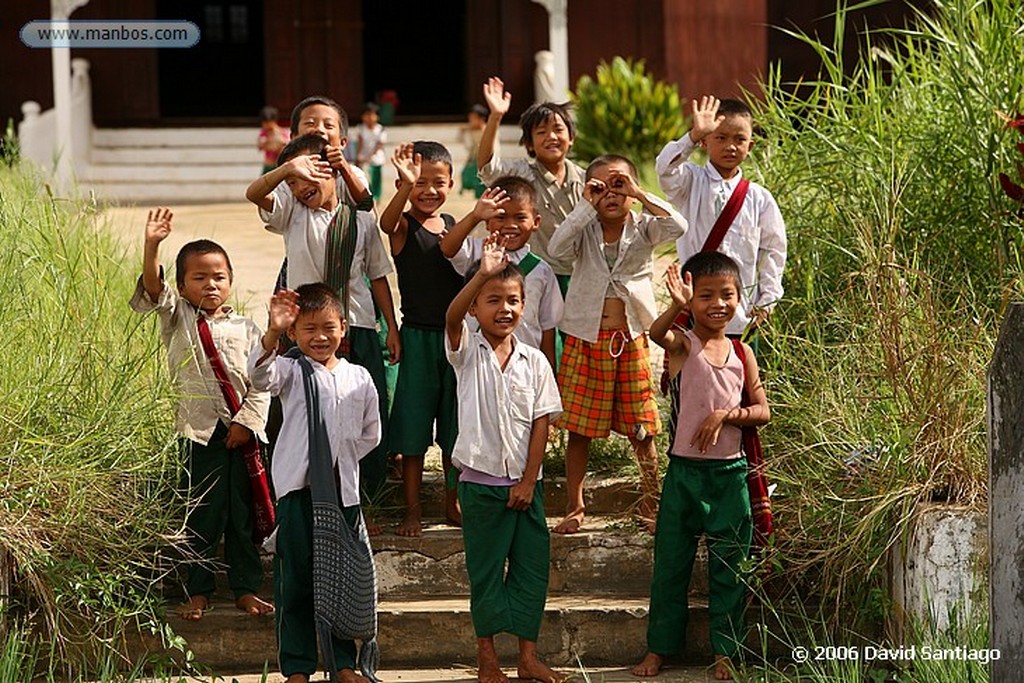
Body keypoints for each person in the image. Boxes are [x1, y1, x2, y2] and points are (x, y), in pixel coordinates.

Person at [245, 133, 399, 533]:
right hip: (303, 331)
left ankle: (363, 503)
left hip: (357, 325)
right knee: (296, 415)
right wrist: (284, 171)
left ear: (331, 170)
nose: (300, 188)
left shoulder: (360, 219)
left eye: (308, 175)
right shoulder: (291, 213)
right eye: (293, 182)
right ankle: (297, 500)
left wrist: (391, 326)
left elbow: (379, 275)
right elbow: (252, 193)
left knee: (365, 411)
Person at [128, 208, 272, 622]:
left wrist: (247, 422)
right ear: (182, 285)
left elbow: (262, 379)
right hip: (197, 433)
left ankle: (246, 588)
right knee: (201, 514)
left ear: (230, 281)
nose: (211, 284)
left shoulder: (246, 326)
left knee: (242, 516)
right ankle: (198, 591)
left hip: (243, 436)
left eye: (219, 277)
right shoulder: (177, 318)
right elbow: (153, 290)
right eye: (199, 277)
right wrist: (152, 244)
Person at [632, 252, 769, 681]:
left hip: (729, 476)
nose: (717, 304)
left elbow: (762, 410)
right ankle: (659, 650)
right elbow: (657, 334)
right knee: (670, 566)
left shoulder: (742, 352)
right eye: (705, 295)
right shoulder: (684, 343)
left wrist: (726, 415)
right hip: (684, 475)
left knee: (730, 569)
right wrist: (675, 305)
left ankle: (726, 652)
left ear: (739, 299)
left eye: (726, 295)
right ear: (692, 302)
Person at [546, 154, 687, 535]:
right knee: (579, 427)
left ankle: (652, 500)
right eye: (601, 187)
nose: (611, 193)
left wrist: (640, 193)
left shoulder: (644, 228)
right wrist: (583, 206)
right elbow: (556, 248)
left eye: (619, 185)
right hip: (586, 337)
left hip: (632, 339)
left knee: (642, 426)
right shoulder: (585, 228)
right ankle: (575, 506)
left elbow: (678, 224)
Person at [444, 239, 563, 683]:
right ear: (476, 308)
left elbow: (541, 425)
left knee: (532, 572)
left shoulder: (534, 362)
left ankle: (528, 657)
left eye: (513, 300)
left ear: (525, 306)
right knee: (487, 574)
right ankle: (487, 658)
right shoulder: (465, 353)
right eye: (493, 301)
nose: (505, 309)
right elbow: (450, 317)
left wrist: (529, 481)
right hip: (481, 485)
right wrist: (480, 274)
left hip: (525, 487)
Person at [249, 283, 381, 683]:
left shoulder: (359, 377)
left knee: (339, 579)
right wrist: (272, 332)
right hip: (297, 495)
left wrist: (336, 467)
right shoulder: (290, 369)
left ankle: (342, 664)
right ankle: (298, 667)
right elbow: (259, 375)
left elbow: (370, 434)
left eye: (328, 327)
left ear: (344, 328)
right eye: (308, 329)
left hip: (342, 496)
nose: (319, 337)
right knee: (298, 583)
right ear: (294, 334)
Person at [378, 141, 464, 537]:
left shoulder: (451, 225)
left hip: (454, 343)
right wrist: (402, 189)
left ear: (452, 183)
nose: (429, 190)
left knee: (454, 429)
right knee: (412, 432)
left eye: (438, 182)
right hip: (416, 340)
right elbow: (385, 223)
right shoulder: (402, 227)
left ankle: (452, 501)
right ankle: (412, 511)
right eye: (419, 183)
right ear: (404, 183)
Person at [655, 96, 787, 340]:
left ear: (751, 147)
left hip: (740, 314)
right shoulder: (689, 182)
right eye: (720, 137)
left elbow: (773, 252)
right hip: (695, 307)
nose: (730, 146)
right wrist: (691, 137)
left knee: (739, 375)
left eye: (739, 139)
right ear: (705, 142)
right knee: (691, 374)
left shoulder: (760, 199)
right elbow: (664, 168)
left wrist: (767, 302)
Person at [477, 77, 586, 296]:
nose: (551, 137)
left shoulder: (585, 179)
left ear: (571, 138)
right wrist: (496, 117)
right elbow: (487, 166)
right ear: (529, 144)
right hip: (534, 273)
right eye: (541, 132)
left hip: (578, 274)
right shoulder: (522, 173)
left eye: (558, 129)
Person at [441, 175, 563, 368]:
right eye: (500, 217)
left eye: (520, 217)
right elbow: (447, 248)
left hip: (525, 367)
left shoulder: (542, 271)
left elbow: (547, 328)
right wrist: (475, 216)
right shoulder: (475, 252)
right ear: (487, 223)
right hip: (478, 362)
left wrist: (550, 374)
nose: (510, 225)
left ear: (536, 221)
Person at [352, 102, 387, 203]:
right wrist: (358, 155)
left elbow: (379, 145)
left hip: (376, 158)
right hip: (363, 157)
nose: (369, 118)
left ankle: (377, 197)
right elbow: (360, 143)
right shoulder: (361, 129)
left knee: (376, 179)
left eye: (372, 115)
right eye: (367, 115)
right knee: (365, 178)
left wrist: (369, 156)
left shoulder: (381, 129)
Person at [459, 104, 489, 198]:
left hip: (485, 159)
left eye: (473, 118)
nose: (470, 120)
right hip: (475, 158)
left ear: (481, 119)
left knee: (481, 180)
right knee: (466, 174)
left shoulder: (488, 131)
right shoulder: (473, 131)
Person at [258, 105, 290, 174]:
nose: (266, 125)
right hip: (269, 164)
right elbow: (260, 146)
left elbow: (287, 147)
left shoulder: (283, 133)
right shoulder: (264, 133)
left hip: (279, 164)